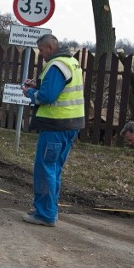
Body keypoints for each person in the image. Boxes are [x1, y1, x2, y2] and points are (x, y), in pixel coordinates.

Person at [21, 34, 85, 227]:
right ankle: (48, 210)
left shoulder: (56, 65)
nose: (40, 54)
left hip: (56, 124)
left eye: (41, 50)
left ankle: (45, 214)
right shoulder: (71, 62)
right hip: (71, 124)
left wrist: (30, 93)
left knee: (45, 169)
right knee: (54, 169)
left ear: (50, 47)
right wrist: (37, 85)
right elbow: (59, 89)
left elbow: (48, 96)